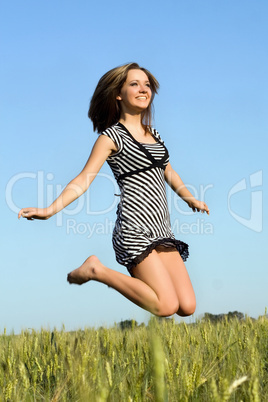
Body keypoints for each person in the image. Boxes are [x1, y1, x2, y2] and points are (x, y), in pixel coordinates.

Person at [18, 62, 209, 317]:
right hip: (134, 229)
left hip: (162, 229)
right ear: (118, 94)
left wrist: (190, 198)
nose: (143, 89)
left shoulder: (154, 135)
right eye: (134, 84)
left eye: (147, 85)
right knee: (166, 306)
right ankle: (97, 270)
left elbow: (168, 171)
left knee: (187, 306)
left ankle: (99, 271)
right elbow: (84, 178)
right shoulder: (111, 137)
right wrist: (49, 210)